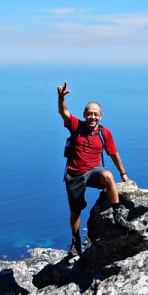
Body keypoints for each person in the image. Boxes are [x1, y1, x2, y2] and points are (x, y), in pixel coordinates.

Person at [57, 81, 132, 257]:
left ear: (101, 116)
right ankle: (76, 243)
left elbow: (113, 153)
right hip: (74, 175)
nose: (92, 117)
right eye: (89, 114)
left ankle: (118, 215)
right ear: (84, 115)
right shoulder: (76, 126)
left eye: (96, 114)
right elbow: (63, 112)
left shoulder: (104, 133)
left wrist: (123, 174)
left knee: (107, 175)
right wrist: (61, 98)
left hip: (93, 172)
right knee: (75, 212)